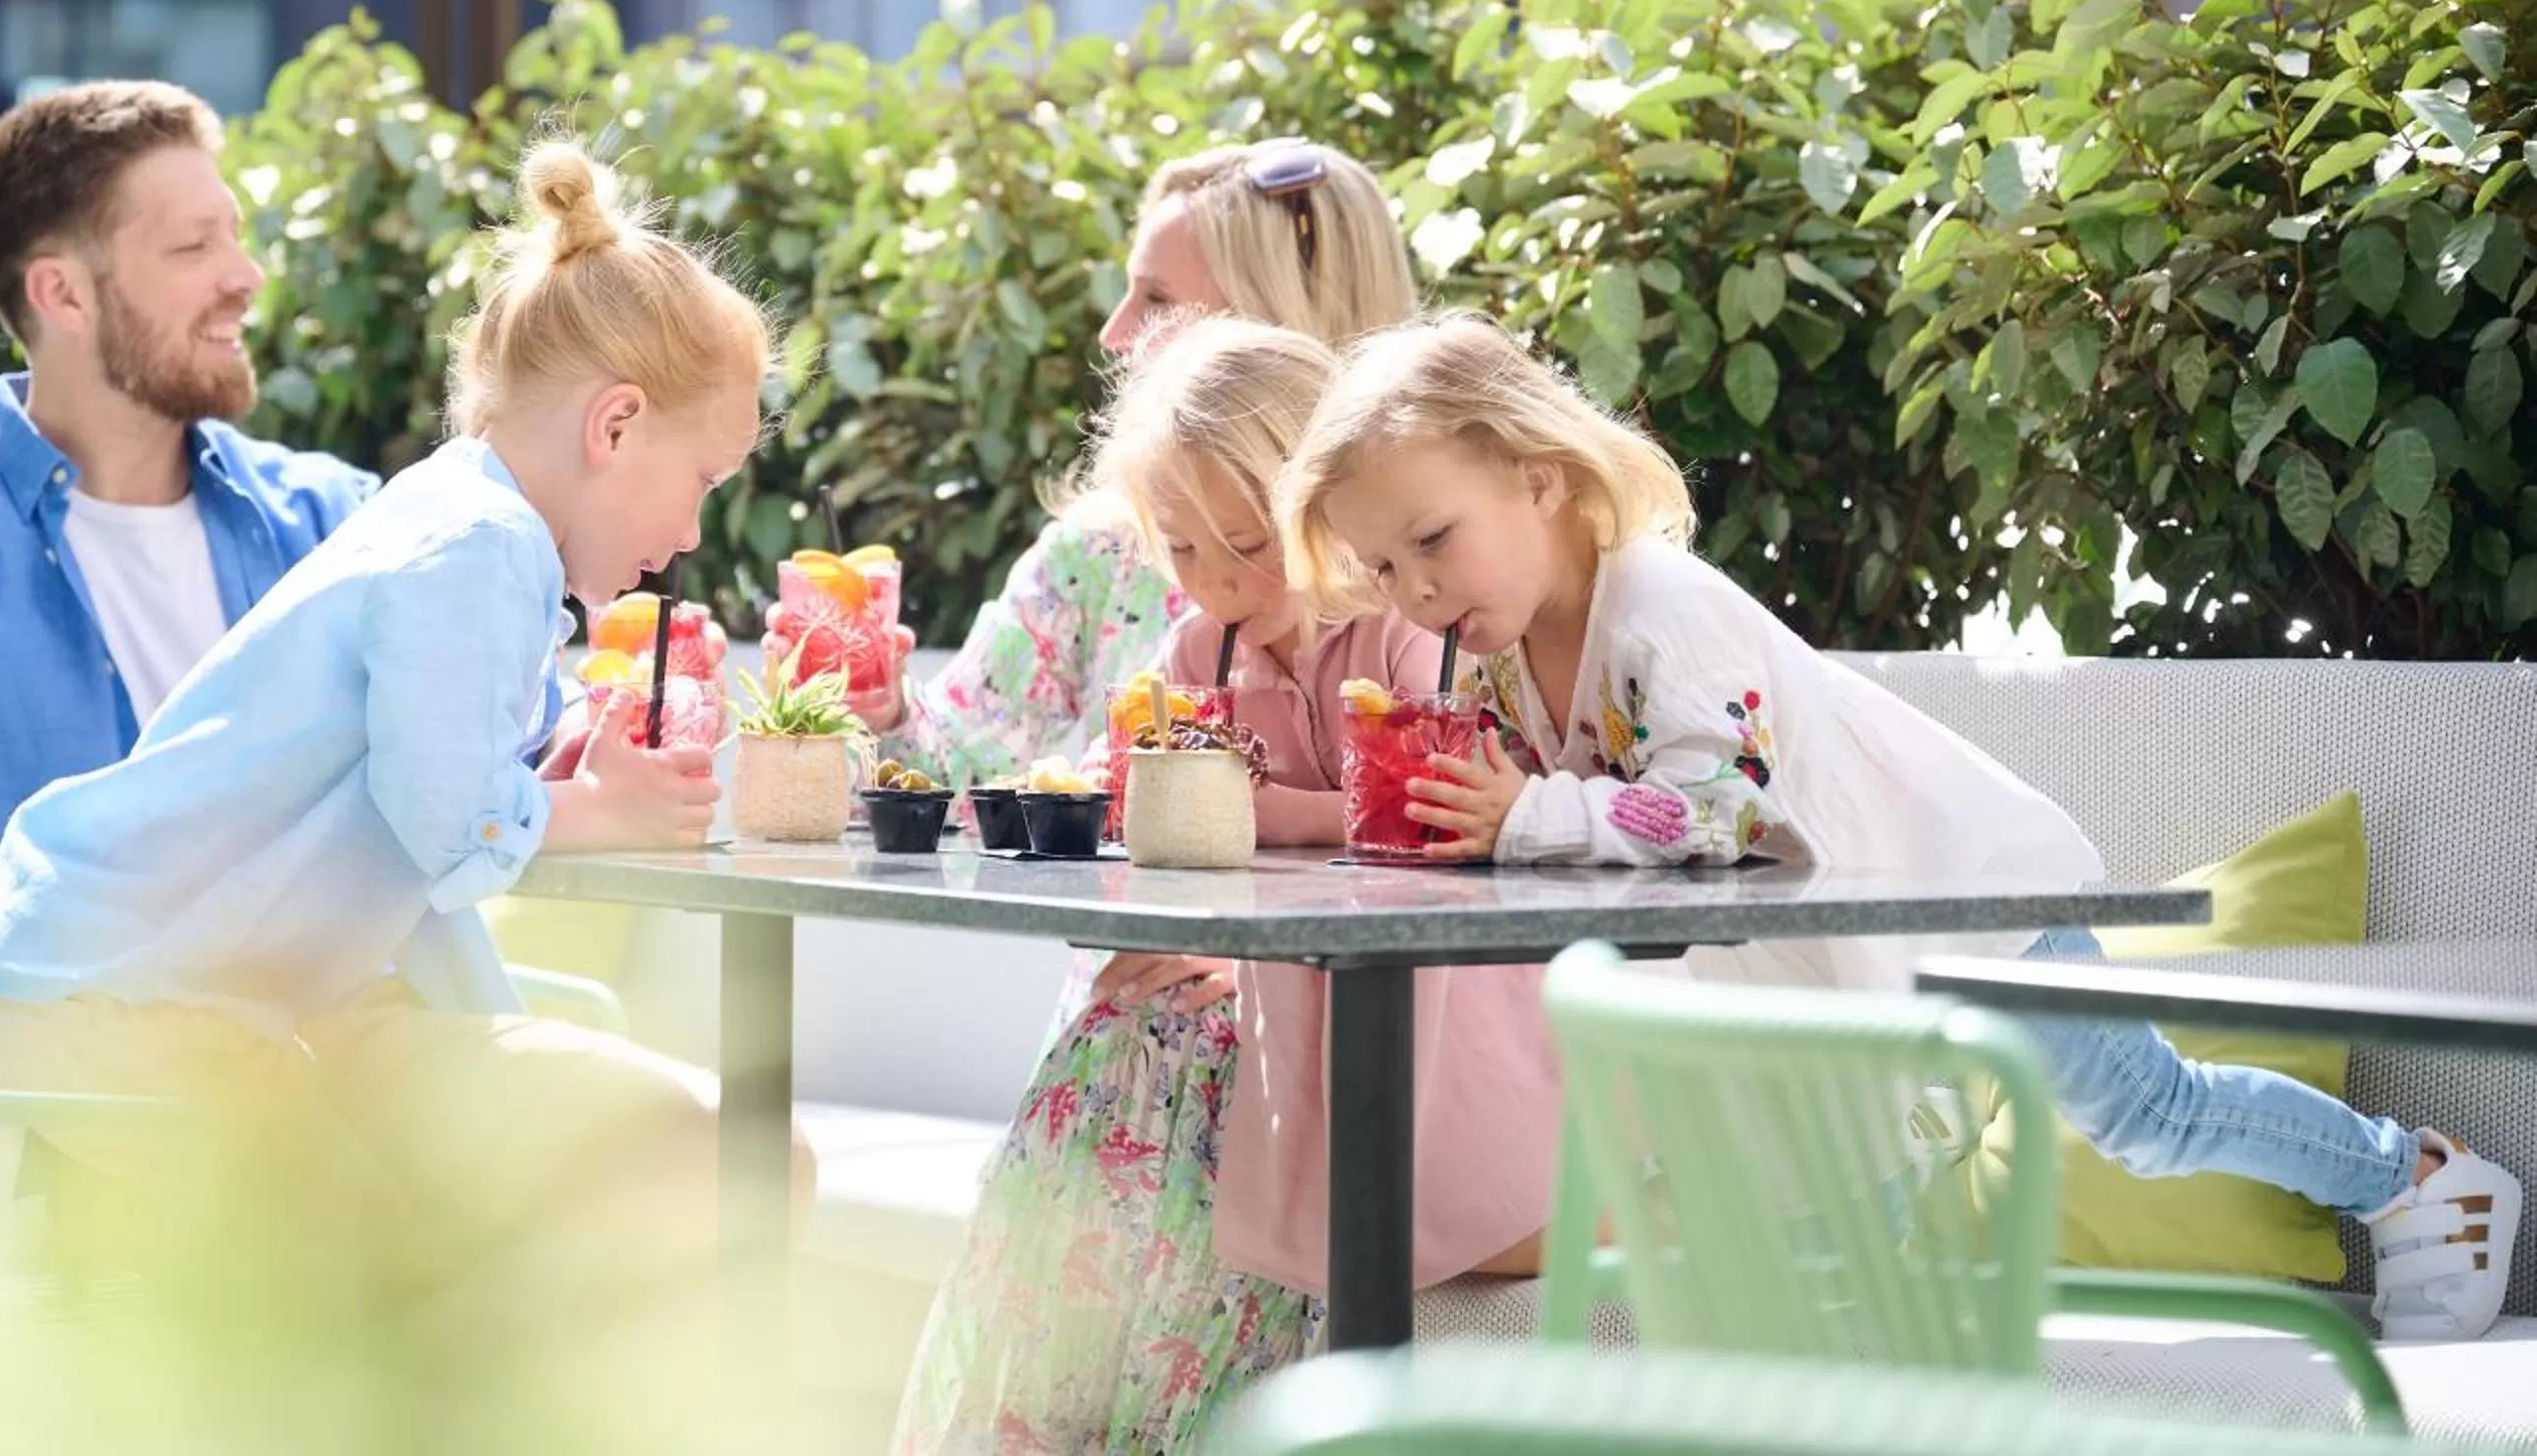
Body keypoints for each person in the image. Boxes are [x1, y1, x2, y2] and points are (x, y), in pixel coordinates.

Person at [1280, 312, 2526, 1346]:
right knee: (1828, 1180)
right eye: (1385, 571)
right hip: (1834, 959)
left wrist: (1532, 814)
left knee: (2149, 1113)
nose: (1419, 592)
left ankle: (2419, 1174)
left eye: (1431, 540)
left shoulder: (1661, 605)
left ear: (1536, 473)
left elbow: (1719, 807)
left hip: (1972, 901)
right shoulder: (1506, 664)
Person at [0, 142, 769, 1399]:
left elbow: (422, 779)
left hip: (107, 954)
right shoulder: (475, 549)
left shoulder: (456, 515)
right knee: (351, 1246)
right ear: (614, 422)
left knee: (382, 1240)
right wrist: (595, 810)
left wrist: (547, 779)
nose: (694, 532)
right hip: (98, 978)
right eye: (703, 481)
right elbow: (441, 820)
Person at [895, 324, 1563, 1453]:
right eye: (1182, 548)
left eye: (1245, 543)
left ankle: (1199, 1413)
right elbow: (1148, 820)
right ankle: (1037, 1405)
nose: (1209, 582)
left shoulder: (1405, 637)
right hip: (1260, 1000)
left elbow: (1432, 820)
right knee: (1121, 1032)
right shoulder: (1199, 656)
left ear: (1321, 511)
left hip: (1410, 1017)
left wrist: (1252, 820)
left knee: (1198, 1067)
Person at [0, 81, 373, 1023]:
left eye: (233, 233)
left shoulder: (336, 524)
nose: (246, 276)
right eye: (193, 247)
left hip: (344, 1063)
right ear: (62, 293)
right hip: (47, 1117)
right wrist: (72, 1017)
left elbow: (504, 737)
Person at [780, 139, 1420, 790]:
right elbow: (953, 772)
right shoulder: (1100, 552)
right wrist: (880, 706)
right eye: (1182, 548)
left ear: (1270, 328)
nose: (1114, 333)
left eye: (1158, 301)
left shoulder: (1417, 575)